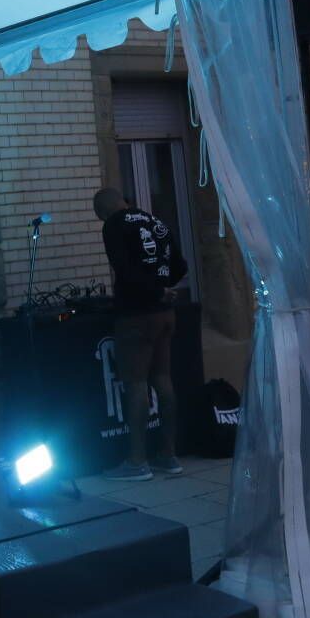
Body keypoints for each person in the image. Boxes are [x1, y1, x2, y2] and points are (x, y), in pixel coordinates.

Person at [93, 188, 188, 481]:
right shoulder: (153, 221)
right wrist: (164, 288)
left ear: (104, 212)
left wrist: (152, 290)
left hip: (136, 315)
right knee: (163, 379)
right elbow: (180, 266)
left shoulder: (114, 225)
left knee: (135, 384)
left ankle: (137, 461)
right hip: (165, 313)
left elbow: (124, 270)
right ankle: (169, 455)